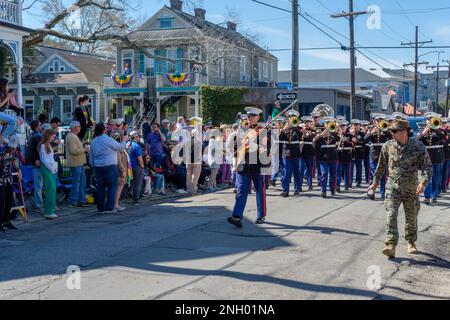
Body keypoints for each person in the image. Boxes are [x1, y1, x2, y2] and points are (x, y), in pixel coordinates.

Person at [368, 119, 432, 258]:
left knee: (412, 217)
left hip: (411, 189)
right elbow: (380, 167)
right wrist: (375, 182)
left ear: (403, 132)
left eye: (394, 131)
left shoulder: (418, 146)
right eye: (391, 131)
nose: (391, 133)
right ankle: (390, 245)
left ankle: (411, 242)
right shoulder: (388, 146)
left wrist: (424, 181)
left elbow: (427, 166)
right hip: (393, 187)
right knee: (391, 214)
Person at [227, 107, 268, 227]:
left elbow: (266, 148)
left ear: (258, 117)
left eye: (252, 116)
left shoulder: (263, 130)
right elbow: (235, 148)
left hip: (257, 166)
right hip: (243, 166)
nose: (249, 119)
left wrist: (255, 143)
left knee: (260, 191)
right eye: (248, 116)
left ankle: (261, 215)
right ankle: (237, 217)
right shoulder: (241, 130)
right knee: (241, 191)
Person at [89, 123, 126, 214]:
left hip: (98, 166)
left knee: (100, 188)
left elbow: (91, 157)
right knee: (112, 187)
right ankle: (109, 207)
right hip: (110, 165)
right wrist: (124, 140)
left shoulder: (93, 141)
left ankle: (101, 208)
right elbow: (120, 148)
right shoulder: (108, 139)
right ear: (104, 130)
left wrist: (94, 165)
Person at [418, 113, 445, 204]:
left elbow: (442, 137)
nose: (429, 121)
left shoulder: (439, 130)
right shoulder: (422, 130)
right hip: (425, 158)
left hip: (436, 157)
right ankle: (427, 196)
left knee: (435, 177)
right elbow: (417, 139)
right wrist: (423, 133)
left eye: (431, 119)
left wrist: (434, 128)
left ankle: (434, 195)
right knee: (426, 177)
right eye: (428, 119)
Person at [364, 114, 392, 199]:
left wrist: (385, 130)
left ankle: (383, 192)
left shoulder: (386, 128)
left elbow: (391, 137)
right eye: (377, 121)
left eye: (380, 120)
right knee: (373, 175)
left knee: (383, 175)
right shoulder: (371, 129)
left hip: (383, 155)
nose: (378, 122)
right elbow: (364, 139)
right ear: (374, 121)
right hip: (373, 155)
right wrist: (371, 132)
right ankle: (371, 191)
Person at [0, 127, 21, 231]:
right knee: (1, 201)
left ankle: (6, 220)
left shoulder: (13, 150)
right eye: (11, 146)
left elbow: (13, 160)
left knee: (9, 200)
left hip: (9, 178)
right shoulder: (1, 150)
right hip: (0, 179)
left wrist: (19, 170)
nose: (12, 148)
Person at [65, 121, 89, 208]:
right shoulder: (71, 137)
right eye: (79, 126)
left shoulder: (74, 136)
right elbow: (73, 151)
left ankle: (81, 200)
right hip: (75, 163)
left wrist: (82, 143)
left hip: (79, 163)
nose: (80, 128)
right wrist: (84, 149)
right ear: (74, 127)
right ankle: (74, 201)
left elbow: (75, 148)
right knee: (77, 183)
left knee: (82, 182)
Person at [314, 119, 340, 198]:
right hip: (323, 157)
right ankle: (323, 190)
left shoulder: (334, 134)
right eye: (327, 124)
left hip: (333, 157)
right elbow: (314, 142)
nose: (328, 126)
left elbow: (339, 139)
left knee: (333, 174)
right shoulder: (320, 133)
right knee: (324, 173)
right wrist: (321, 135)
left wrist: (333, 132)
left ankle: (332, 189)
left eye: (329, 124)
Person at [280, 110, 302, 197]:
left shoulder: (298, 129)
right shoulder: (284, 128)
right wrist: (284, 128)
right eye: (290, 117)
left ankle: (297, 188)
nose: (291, 119)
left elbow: (300, 136)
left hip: (295, 151)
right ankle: (286, 190)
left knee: (296, 171)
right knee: (286, 171)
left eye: (293, 117)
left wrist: (296, 126)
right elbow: (277, 137)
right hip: (286, 151)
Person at [39, 129, 59, 219]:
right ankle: (48, 211)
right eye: (52, 135)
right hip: (46, 168)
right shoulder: (43, 146)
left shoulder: (48, 145)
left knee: (53, 188)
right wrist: (51, 168)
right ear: (48, 135)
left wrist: (54, 166)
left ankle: (51, 208)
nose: (53, 137)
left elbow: (50, 158)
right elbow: (43, 160)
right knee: (50, 188)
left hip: (50, 168)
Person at [25, 120, 44, 211]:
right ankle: (38, 204)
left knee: (39, 184)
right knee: (39, 185)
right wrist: (36, 159)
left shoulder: (32, 135)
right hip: (37, 163)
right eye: (40, 125)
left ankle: (39, 203)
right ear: (37, 126)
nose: (41, 126)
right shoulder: (37, 136)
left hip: (35, 162)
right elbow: (31, 151)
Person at [186, 117, 203, 194]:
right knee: (195, 176)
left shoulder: (187, 141)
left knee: (188, 175)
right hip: (196, 160)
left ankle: (189, 189)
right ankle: (193, 190)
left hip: (188, 160)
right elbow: (199, 152)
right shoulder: (198, 142)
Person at [112, 132, 129, 211]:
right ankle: (115, 204)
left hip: (121, 169)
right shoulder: (117, 149)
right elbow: (119, 162)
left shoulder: (120, 147)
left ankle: (115, 203)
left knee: (118, 188)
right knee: (118, 188)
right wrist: (123, 171)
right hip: (120, 171)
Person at [299, 116, 316, 192]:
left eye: (308, 122)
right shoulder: (300, 130)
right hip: (302, 151)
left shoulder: (313, 131)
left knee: (309, 169)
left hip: (310, 151)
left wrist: (305, 133)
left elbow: (310, 137)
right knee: (301, 169)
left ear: (310, 123)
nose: (306, 124)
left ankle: (310, 184)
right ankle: (299, 185)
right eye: (305, 122)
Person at [128, 131, 145, 205]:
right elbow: (139, 158)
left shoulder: (127, 144)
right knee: (137, 183)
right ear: (135, 137)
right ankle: (135, 200)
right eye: (138, 136)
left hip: (128, 166)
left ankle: (128, 198)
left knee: (130, 183)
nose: (139, 138)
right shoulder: (136, 146)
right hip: (136, 166)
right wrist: (142, 166)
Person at [336, 121, 353, 192]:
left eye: (344, 126)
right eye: (341, 127)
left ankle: (346, 185)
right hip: (339, 155)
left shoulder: (350, 135)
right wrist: (338, 141)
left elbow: (353, 144)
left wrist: (343, 139)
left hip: (347, 155)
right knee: (339, 171)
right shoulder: (336, 135)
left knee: (347, 172)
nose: (342, 128)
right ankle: (337, 185)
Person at [351, 120, 365, 188]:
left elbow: (364, 143)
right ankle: (349, 182)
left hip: (359, 152)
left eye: (357, 125)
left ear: (359, 126)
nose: (355, 127)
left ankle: (358, 181)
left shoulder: (362, 134)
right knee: (350, 169)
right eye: (354, 125)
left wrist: (357, 141)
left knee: (359, 168)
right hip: (351, 153)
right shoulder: (350, 133)